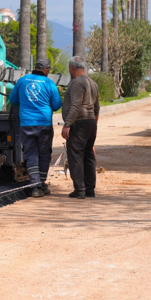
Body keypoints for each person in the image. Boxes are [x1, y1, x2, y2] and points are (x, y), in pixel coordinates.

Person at [9, 59, 62, 197]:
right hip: (44, 124)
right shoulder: (49, 83)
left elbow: (13, 100)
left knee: (30, 154)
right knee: (44, 153)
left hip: (27, 123)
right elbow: (56, 105)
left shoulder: (22, 80)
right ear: (46, 70)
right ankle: (42, 184)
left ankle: (35, 186)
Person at [61, 56, 100, 199]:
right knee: (88, 155)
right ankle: (90, 189)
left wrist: (67, 124)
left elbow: (76, 105)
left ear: (71, 68)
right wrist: (94, 123)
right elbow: (97, 108)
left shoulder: (77, 83)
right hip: (90, 123)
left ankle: (79, 190)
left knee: (75, 155)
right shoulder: (92, 83)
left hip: (80, 123)